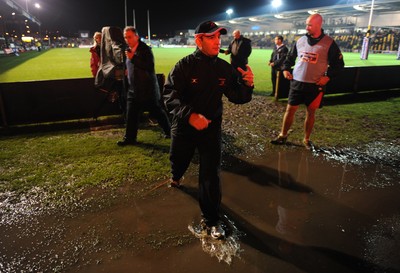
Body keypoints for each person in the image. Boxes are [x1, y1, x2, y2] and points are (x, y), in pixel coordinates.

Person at [163, 20, 254, 239]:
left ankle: (212, 220)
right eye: (211, 37)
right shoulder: (184, 66)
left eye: (218, 37)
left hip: (211, 130)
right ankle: (176, 176)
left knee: (210, 174)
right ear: (199, 40)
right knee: (179, 159)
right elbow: (168, 95)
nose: (217, 42)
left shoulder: (224, 68)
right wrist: (191, 116)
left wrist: (248, 86)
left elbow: (237, 96)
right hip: (184, 128)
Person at [271, 14, 344, 149]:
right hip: (297, 82)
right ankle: (283, 135)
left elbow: (339, 65)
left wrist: (327, 77)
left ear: (319, 25)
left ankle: (306, 139)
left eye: (309, 25)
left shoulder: (329, 43)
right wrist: (286, 69)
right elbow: (290, 57)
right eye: (306, 24)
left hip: (315, 85)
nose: (307, 27)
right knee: (290, 109)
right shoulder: (300, 40)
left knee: (311, 112)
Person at [117, 26, 171, 146]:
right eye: (125, 37)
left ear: (136, 36)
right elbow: (129, 65)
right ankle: (129, 138)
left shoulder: (145, 49)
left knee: (158, 112)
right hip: (133, 90)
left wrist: (133, 58)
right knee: (131, 115)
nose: (127, 39)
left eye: (129, 37)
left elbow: (149, 66)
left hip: (146, 90)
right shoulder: (128, 50)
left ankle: (170, 132)